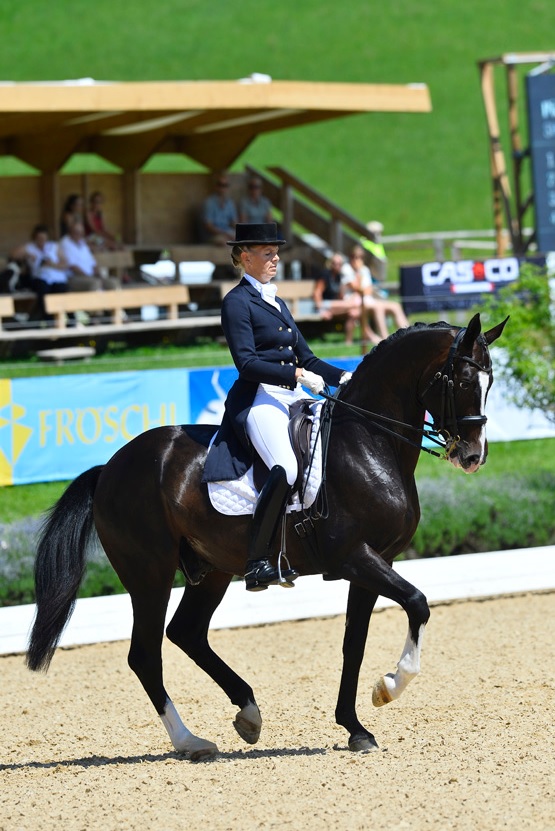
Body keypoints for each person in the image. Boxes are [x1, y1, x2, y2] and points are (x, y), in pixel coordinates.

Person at [202, 223, 351, 592]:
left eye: (275, 252)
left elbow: (309, 357)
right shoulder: (236, 302)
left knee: (333, 449)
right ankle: (257, 562)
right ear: (245, 257)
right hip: (259, 396)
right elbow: (247, 364)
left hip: (292, 393)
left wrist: (347, 378)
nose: (275, 259)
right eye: (267, 253)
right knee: (284, 468)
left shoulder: (276, 301)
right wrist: (296, 373)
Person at [341, 245, 409, 344]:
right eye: (356, 257)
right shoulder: (346, 269)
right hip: (353, 301)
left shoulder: (365, 269)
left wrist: (362, 287)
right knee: (379, 307)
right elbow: (356, 288)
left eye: (361, 257)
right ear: (351, 257)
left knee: (395, 306)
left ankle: (407, 334)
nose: (358, 259)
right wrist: (359, 273)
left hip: (367, 300)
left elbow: (368, 290)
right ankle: (386, 339)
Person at [11, 224, 68, 320]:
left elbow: (65, 264)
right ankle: (48, 319)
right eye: (39, 238)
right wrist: (27, 255)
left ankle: (66, 319)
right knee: (43, 291)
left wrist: (52, 264)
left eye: (43, 238)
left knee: (60, 290)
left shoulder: (53, 246)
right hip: (39, 277)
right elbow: (13, 255)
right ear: (35, 238)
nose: (41, 241)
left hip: (57, 278)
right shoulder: (30, 247)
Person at [312, 252, 362, 345]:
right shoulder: (325, 275)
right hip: (324, 304)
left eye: (340, 264)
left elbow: (342, 294)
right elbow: (317, 293)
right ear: (330, 263)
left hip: (335, 307)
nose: (337, 266)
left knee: (354, 313)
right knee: (354, 304)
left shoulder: (339, 276)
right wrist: (321, 310)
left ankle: (348, 342)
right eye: (335, 263)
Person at [60, 220, 118, 291]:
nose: (80, 235)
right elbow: (73, 267)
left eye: (81, 233)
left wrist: (99, 274)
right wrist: (89, 277)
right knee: (95, 284)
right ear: (70, 232)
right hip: (75, 277)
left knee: (112, 283)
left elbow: (93, 263)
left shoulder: (82, 243)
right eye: (77, 232)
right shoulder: (65, 243)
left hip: (91, 276)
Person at [201, 173, 238, 244]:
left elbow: (234, 222)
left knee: (242, 240)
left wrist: (240, 232)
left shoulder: (230, 203)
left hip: (227, 231)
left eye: (225, 185)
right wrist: (224, 233)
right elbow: (208, 226)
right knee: (224, 242)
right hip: (213, 235)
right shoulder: (209, 202)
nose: (223, 188)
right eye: (220, 185)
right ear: (216, 186)